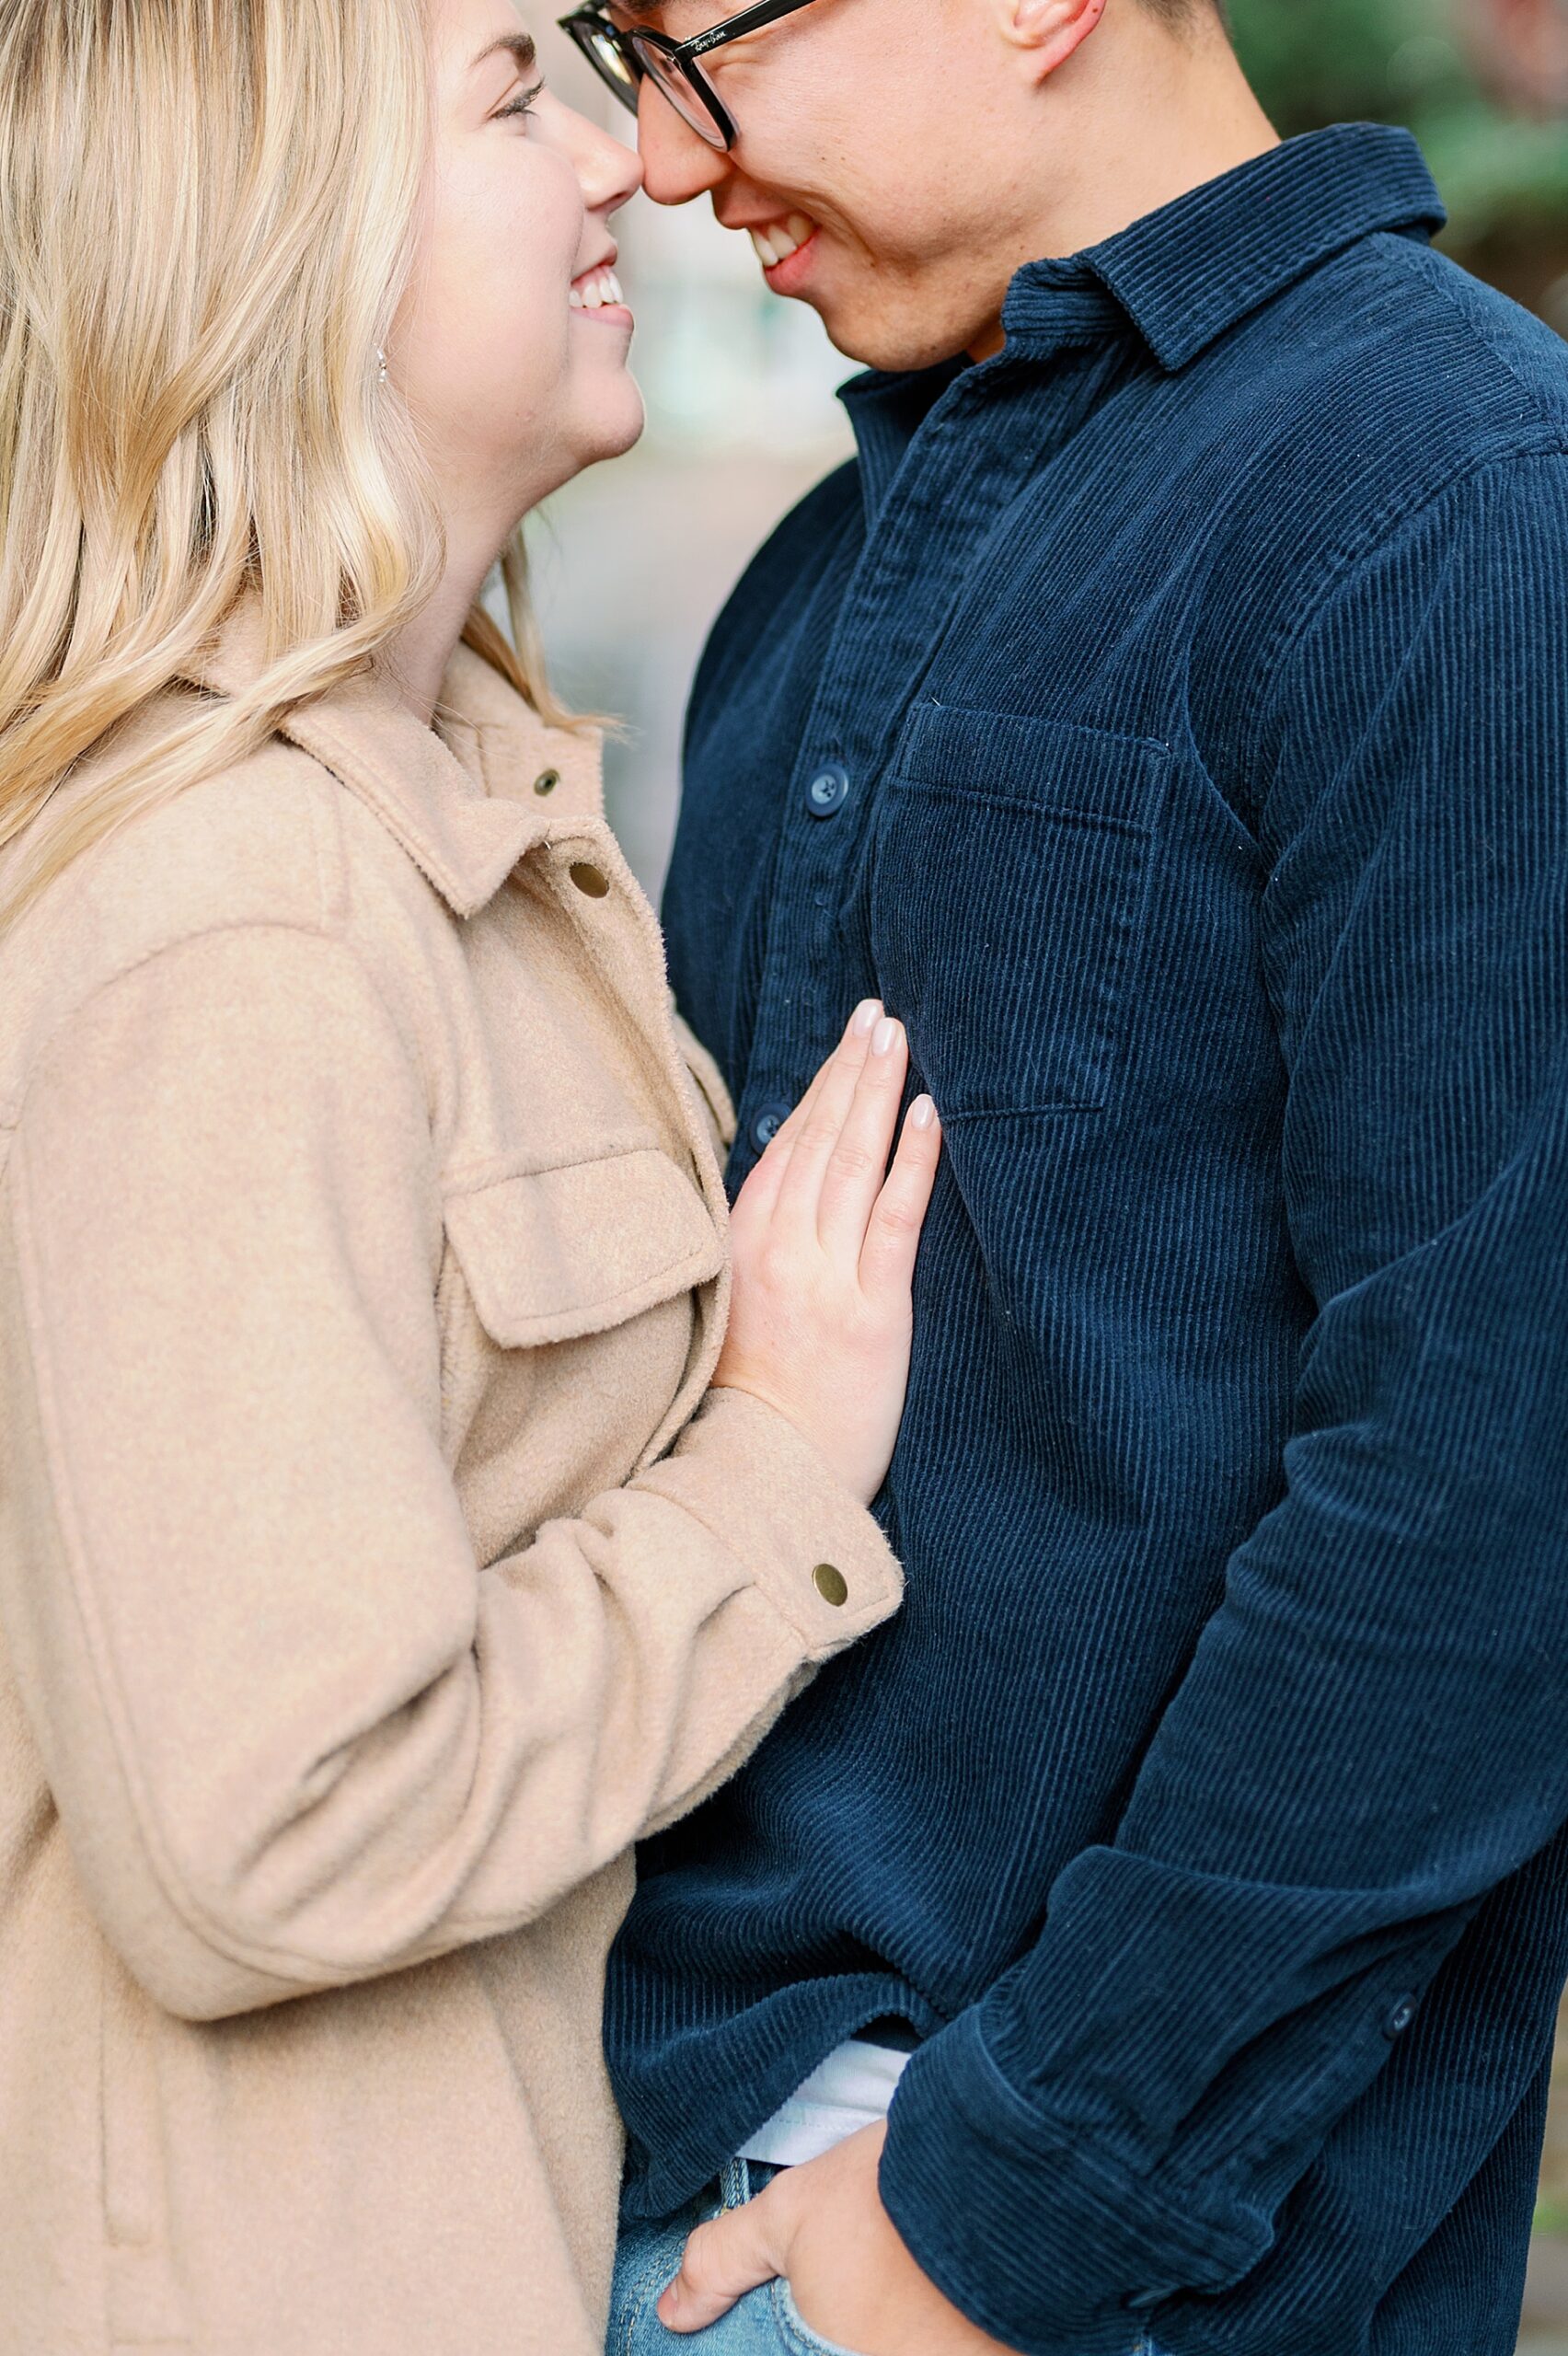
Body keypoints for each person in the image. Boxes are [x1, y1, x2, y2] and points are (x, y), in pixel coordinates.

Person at [571, 3, 1568, 2353]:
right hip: (612, 2161)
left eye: (687, 46)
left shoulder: (1467, 501)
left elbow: (1488, 1493)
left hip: (1023, 2257)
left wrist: (1003, 2210)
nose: (651, 151)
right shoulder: (818, 568)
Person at [0, 4, 945, 2354]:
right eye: (517, 93)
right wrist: (772, 1478)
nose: (625, 161)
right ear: (285, 242)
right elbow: (275, 1827)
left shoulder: (465, 831)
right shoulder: (235, 909)